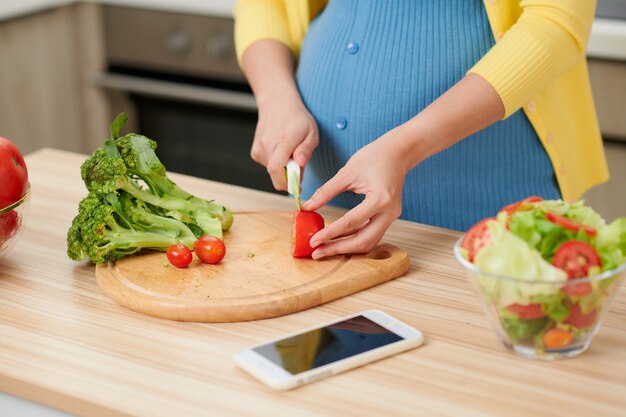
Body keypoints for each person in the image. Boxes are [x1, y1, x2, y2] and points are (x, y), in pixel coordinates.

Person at [234, 0, 608, 259]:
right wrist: (274, 97)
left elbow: (556, 21)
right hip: (327, 198)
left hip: (482, 199)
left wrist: (404, 148)